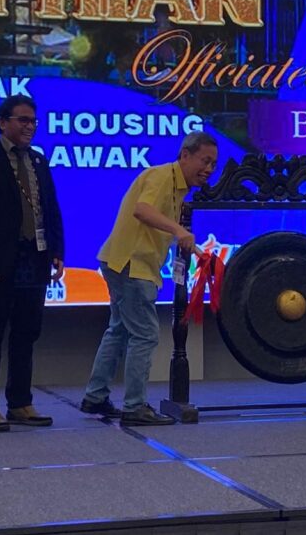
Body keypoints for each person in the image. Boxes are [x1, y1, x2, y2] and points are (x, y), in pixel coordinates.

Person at [81, 132, 218, 427]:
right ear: (185, 155)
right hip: (132, 265)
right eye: (205, 161)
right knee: (145, 334)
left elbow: (159, 224)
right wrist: (179, 231)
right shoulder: (162, 176)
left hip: (123, 262)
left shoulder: (178, 187)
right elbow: (142, 210)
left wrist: (190, 245)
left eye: (213, 165)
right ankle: (134, 407)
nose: (208, 169)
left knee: (119, 330)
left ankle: (95, 396)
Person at [0, 95, 64, 431]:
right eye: (23, 120)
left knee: (27, 332)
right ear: (2, 122)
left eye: (33, 121)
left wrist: (57, 250)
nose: (29, 127)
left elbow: (50, 208)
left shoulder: (38, 160)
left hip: (35, 257)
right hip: (0, 261)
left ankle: (20, 402)